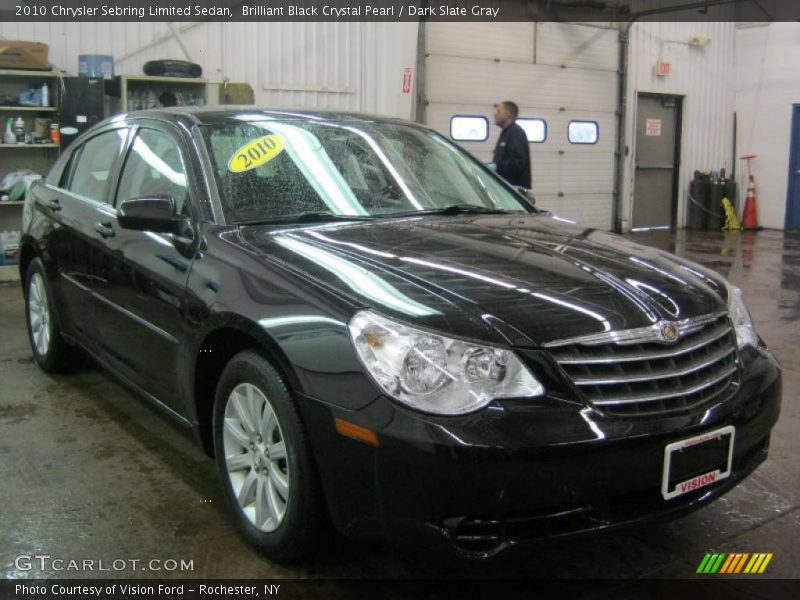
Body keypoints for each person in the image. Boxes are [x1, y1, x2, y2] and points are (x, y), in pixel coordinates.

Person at [490, 100, 531, 189]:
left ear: (508, 114)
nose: (494, 114)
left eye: (498, 111)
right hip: (505, 188)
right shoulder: (506, 132)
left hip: (514, 191)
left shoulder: (516, 133)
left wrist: (497, 167)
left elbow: (518, 163)